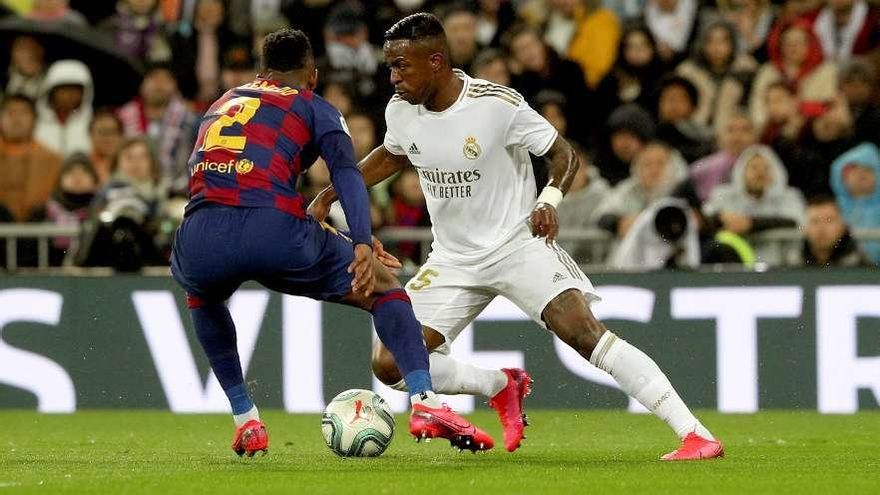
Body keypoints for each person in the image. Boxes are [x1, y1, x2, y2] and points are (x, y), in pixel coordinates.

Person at [309, 13, 723, 460]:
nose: (393, 78)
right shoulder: (400, 111)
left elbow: (563, 154)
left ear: (436, 61)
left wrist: (548, 199)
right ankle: (500, 385)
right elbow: (391, 155)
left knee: (585, 334)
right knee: (390, 362)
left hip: (516, 244)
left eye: (402, 66)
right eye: (390, 67)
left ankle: (695, 434)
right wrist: (329, 195)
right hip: (452, 258)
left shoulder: (497, 105)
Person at [170, 28, 491, 457]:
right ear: (313, 75)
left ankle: (246, 419)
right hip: (273, 230)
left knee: (203, 296)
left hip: (200, 234)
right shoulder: (312, 106)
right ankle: (425, 402)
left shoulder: (223, 102)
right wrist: (360, 240)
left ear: (263, 69)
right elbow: (347, 175)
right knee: (383, 288)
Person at [787, 195, 872, 267]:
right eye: (814, 221)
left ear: (842, 226)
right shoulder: (792, 264)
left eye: (829, 221)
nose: (821, 228)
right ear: (804, 228)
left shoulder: (860, 265)